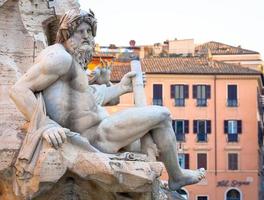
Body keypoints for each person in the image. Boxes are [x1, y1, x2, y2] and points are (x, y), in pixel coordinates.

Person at [9, 8, 205, 191]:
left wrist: (122, 88)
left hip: (104, 130)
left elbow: (89, 99)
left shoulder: (72, 62)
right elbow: (19, 90)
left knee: (149, 141)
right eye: (80, 31)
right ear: (67, 33)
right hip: (97, 137)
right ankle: (177, 175)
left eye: (89, 31)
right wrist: (47, 126)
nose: (86, 36)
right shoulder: (59, 58)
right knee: (162, 114)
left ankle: (160, 182)